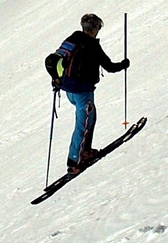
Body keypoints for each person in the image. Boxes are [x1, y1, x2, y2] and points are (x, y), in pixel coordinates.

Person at [52, 13, 129, 174]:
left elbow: (58, 59)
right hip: (82, 91)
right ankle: (74, 161)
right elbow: (109, 66)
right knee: (83, 125)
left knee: (90, 118)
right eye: (98, 28)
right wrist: (124, 64)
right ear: (94, 29)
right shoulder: (92, 45)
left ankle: (85, 152)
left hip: (69, 89)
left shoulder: (72, 39)